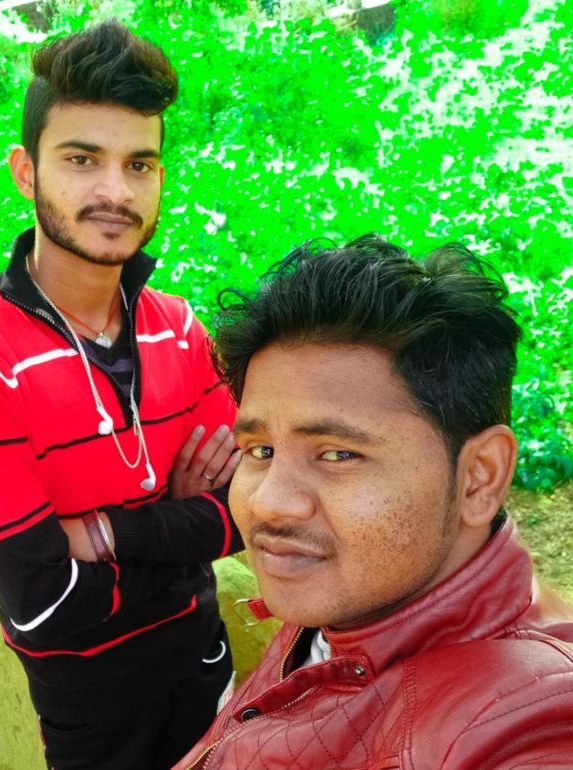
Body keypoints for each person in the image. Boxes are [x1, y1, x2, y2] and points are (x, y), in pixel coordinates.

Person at [0, 20, 244, 770]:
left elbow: (253, 513)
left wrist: (99, 535)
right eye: (81, 160)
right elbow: (43, 606)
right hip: (94, 717)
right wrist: (182, 528)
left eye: (139, 164)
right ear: (26, 172)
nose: (115, 191)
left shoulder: (179, 328)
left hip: (208, 668)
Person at [175, 235, 573, 769]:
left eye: (338, 454)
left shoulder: (532, 717)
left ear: (479, 478)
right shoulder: (354, 594)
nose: (268, 502)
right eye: (261, 450)